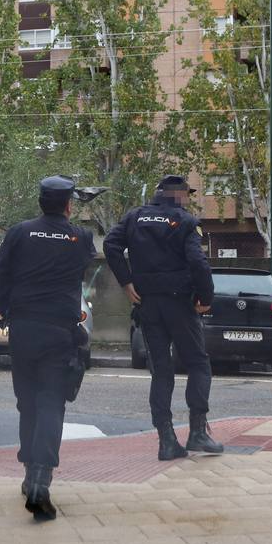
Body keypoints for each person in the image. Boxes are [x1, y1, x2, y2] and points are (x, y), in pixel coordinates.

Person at [0, 175, 95, 521]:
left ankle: (28, 472)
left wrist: (8, 311)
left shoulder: (19, 233)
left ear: (40, 202)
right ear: (68, 205)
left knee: (28, 403)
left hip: (24, 330)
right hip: (59, 333)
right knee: (51, 403)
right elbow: (82, 270)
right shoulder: (80, 238)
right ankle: (40, 482)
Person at [103, 175, 224, 461]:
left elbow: (110, 244)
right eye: (188, 195)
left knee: (161, 370)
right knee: (197, 363)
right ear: (179, 195)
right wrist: (205, 298)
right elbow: (197, 262)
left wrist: (126, 282)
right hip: (179, 304)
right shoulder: (185, 221)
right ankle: (197, 432)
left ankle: (167, 440)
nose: (189, 199)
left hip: (147, 304)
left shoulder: (135, 217)